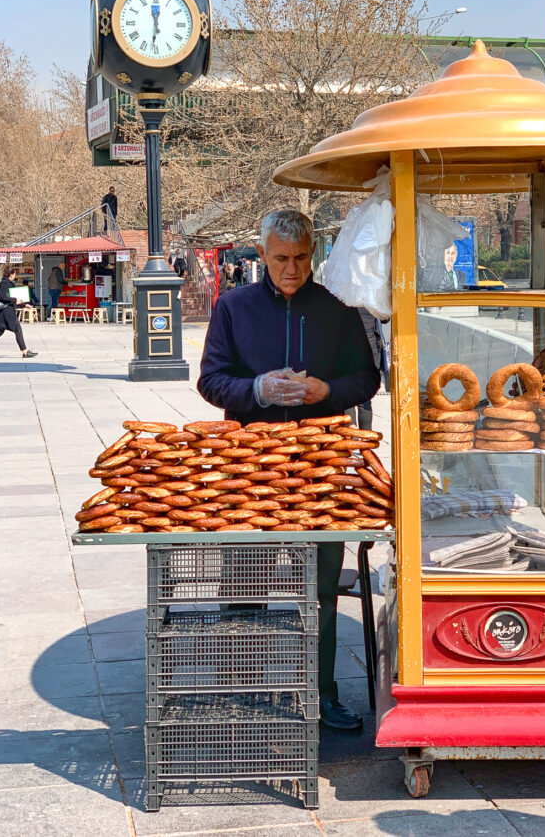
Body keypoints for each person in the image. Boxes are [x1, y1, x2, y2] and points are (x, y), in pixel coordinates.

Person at [198, 209, 380, 731]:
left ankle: (322, 693)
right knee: (244, 580)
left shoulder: (337, 308)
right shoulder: (233, 307)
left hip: (320, 468)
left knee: (321, 584)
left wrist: (329, 392)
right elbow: (211, 381)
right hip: (250, 467)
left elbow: (366, 378)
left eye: (301, 259)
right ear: (261, 255)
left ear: (314, 254)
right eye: (281, 259)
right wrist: (255, 390)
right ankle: (242, 689)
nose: (293, 270)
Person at [0, 265, 38, 359]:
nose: (15, 276)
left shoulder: (8, 283)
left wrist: (24, 304)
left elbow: (11, 299)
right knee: (17, 329)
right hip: (6, 311)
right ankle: (25, 352)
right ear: (11, 274)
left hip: (3, 311)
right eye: (14, 274)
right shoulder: (5, 283)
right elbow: (2, 297)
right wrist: (14, 300)